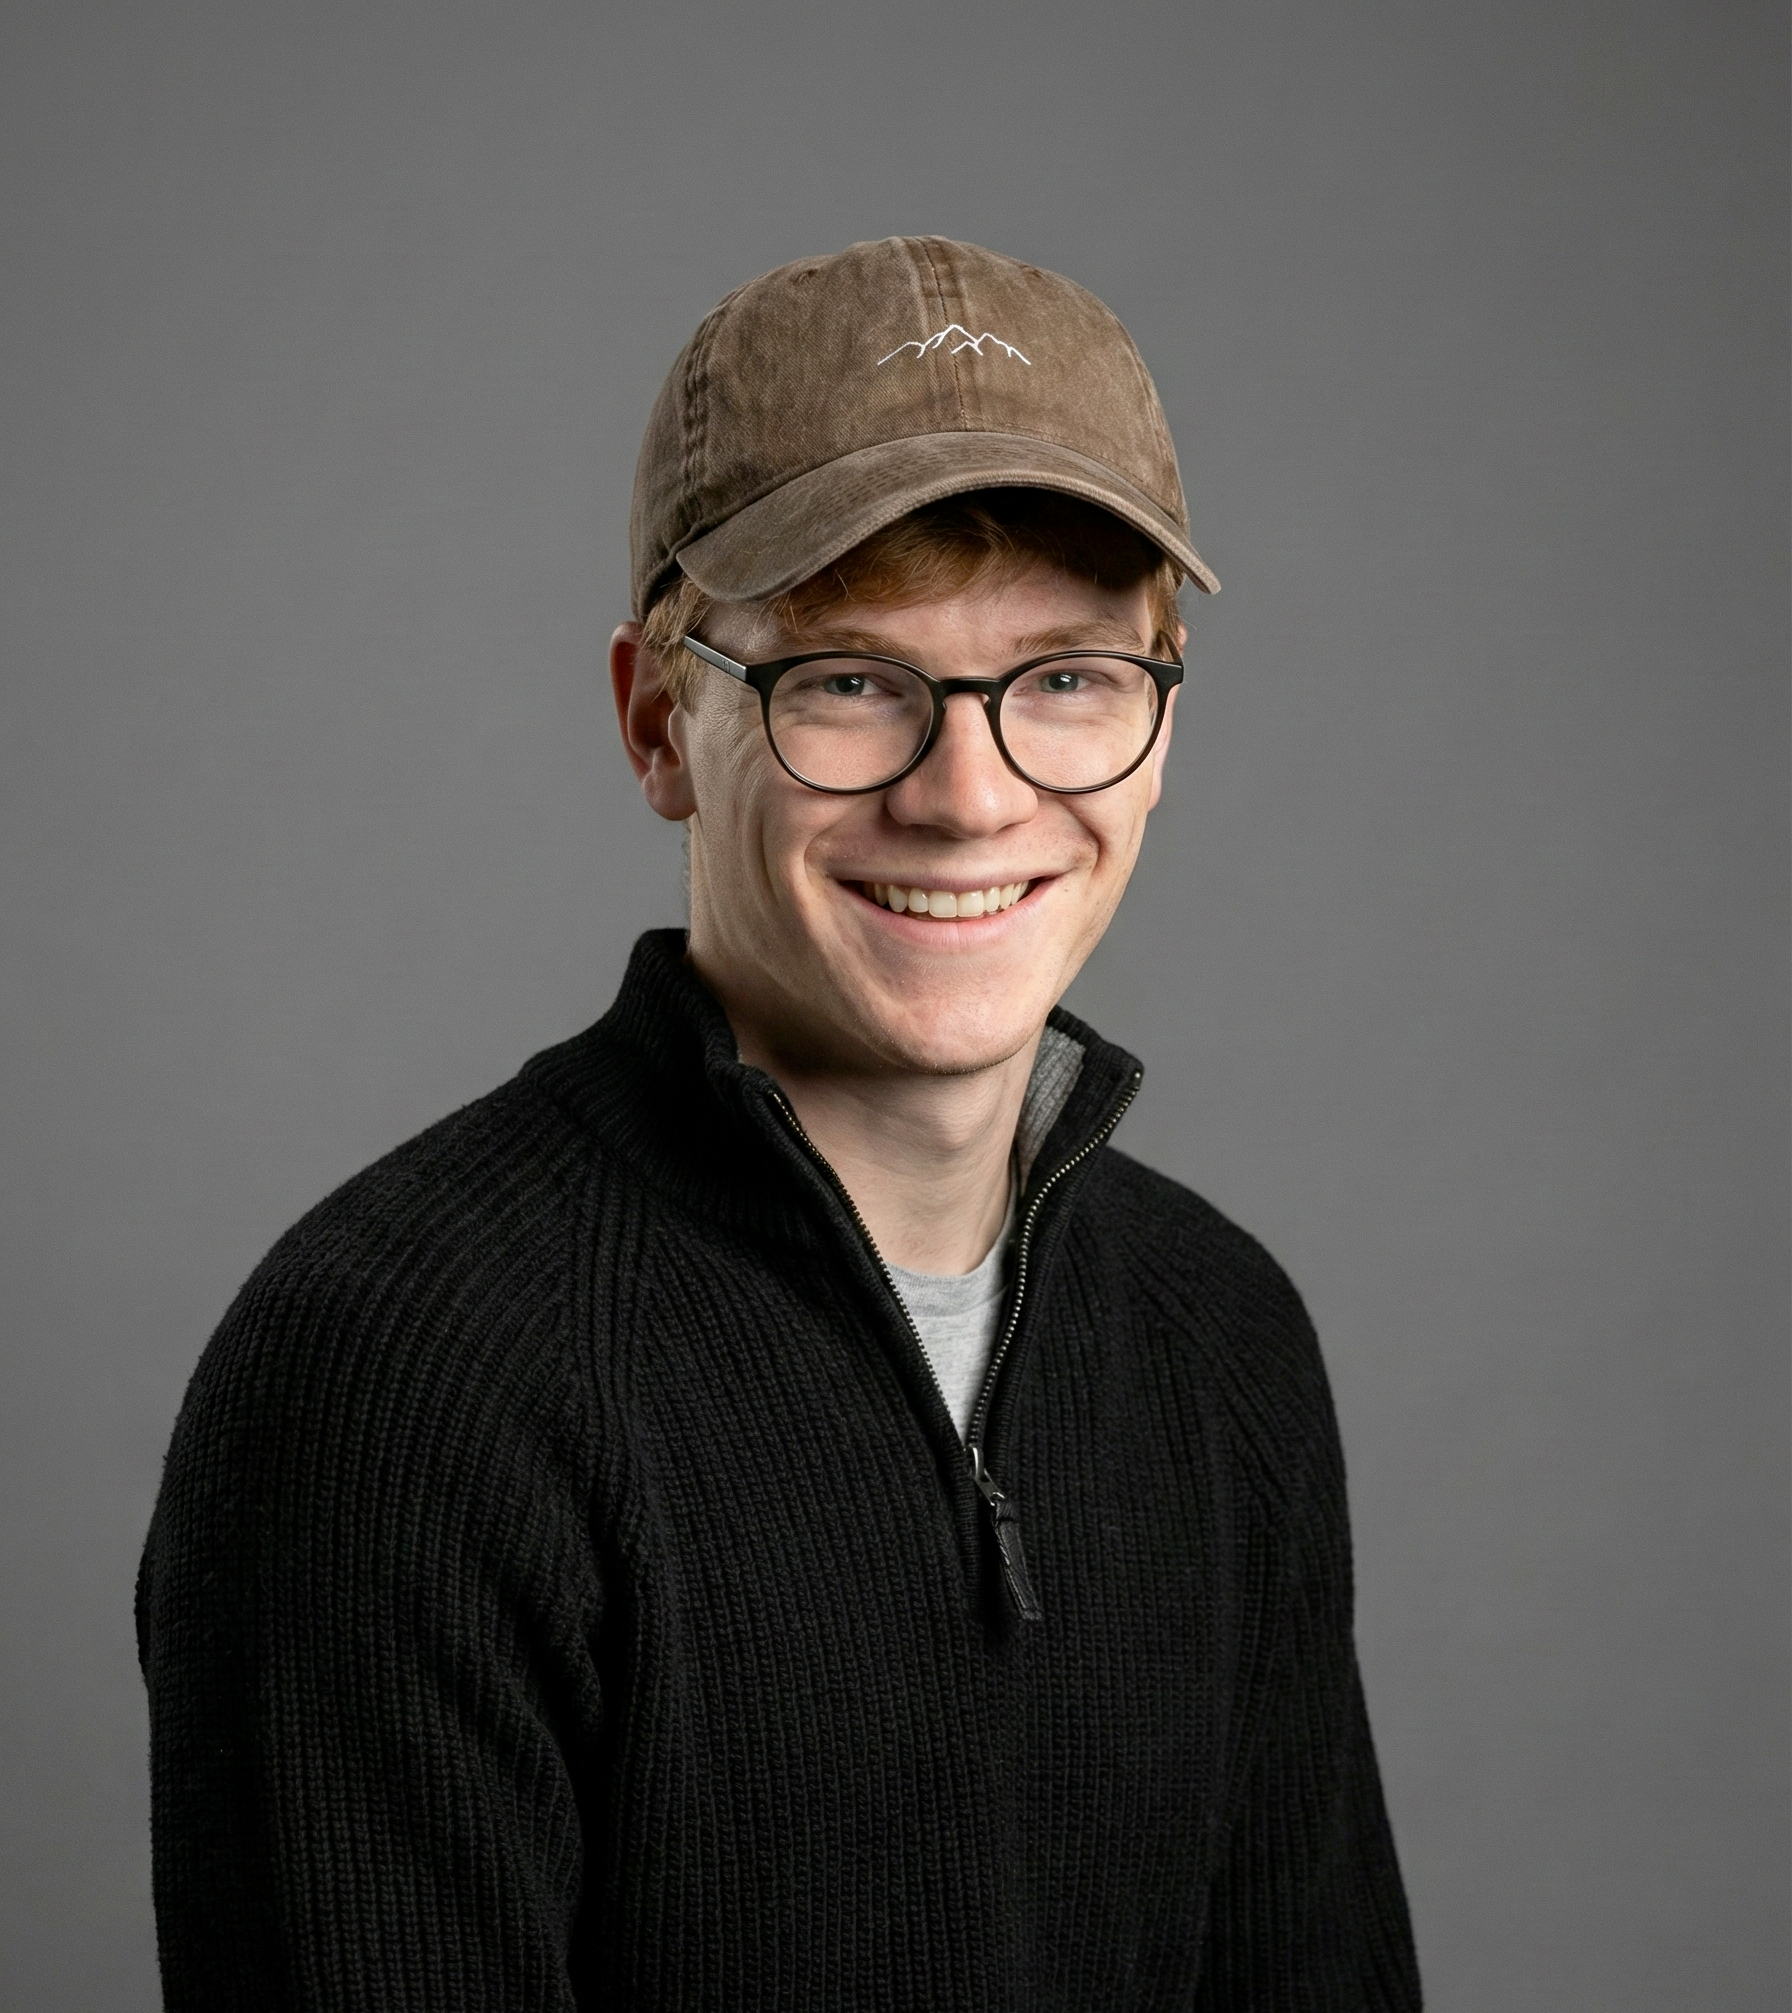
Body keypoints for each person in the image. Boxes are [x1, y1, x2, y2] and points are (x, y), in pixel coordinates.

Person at [138, 236, 1421, 2010]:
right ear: (660, 722)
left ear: (1161, 716)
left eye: (1066, 679)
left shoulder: (1220, 1338)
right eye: (847, 679)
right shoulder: (398, 1374)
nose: (969, 796)